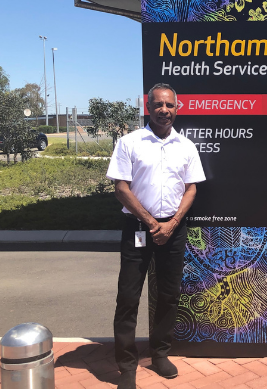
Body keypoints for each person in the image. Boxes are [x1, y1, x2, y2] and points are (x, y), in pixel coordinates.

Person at [106, 83, 205, 389]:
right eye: (158, 105)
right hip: (138, 228)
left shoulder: (186, 146)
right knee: (128, 295)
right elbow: (121, 188)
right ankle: (126, 366)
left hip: (173, 230)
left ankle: (160, 354)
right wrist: (151, 223)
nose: (165, 110)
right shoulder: (129, 142)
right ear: (148, 108)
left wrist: (173, 223)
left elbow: (192, 188)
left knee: (168, 294)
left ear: (178, 108)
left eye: (170, 105)